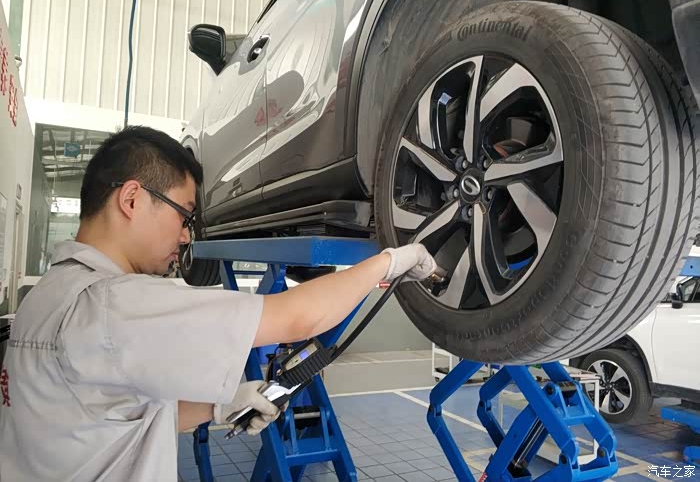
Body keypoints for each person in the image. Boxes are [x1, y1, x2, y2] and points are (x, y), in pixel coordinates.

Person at [0, 126, 437, 481]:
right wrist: (392, 260)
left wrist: (218, 407)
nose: (186, 235)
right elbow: (299, 317)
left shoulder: (45, 297)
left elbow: (104, 422)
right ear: (132, 199)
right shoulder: (114, 305)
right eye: (184, 215)